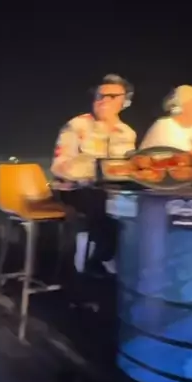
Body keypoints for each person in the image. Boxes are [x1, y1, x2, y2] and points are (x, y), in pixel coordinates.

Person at [52, 74, 136, 275]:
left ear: (125, 102)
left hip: (113, 190)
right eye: (100, 95)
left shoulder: (127, 133)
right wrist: (90, 173)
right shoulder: (77, 125)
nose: (103, 100)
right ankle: (97, 259)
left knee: (138, 203)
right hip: (74, 189)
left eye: (111, 96)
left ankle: (123, 259)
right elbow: (58, 167)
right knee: (102, 203)